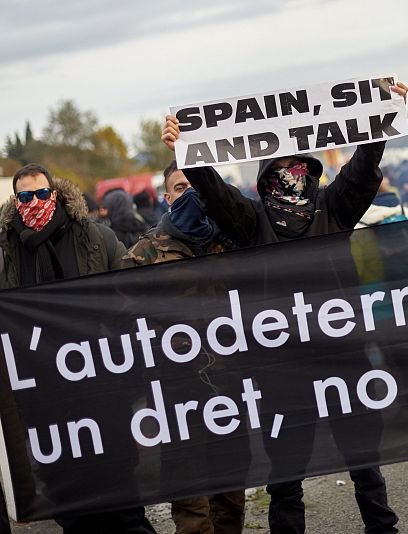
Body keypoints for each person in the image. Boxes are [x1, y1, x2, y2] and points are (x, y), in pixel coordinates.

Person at [161, 81, 408, 534]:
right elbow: (213, 192)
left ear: (311, 172)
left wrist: (382, 118)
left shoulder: (333, 208)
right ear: (264, 178)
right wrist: (186, 152)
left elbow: (361, 170)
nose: (291, 176)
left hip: (343, 359)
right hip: (281, 370)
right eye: (281, 169)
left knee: (365, 466)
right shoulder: (250, 220)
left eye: (299, 167)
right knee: (285, 479)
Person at [0, 164, 153, 534]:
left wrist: (126, 373)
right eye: (25, 197)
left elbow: (128, 300)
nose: (34, 202)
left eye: (41, 194)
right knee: (69, 501)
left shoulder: (94, 237)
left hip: (99, 383)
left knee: (122, 497)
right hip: (43, 396)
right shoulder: (6, 250)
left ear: (54, 194)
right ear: (16, 201)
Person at [122, 161, 245, 534]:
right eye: (179, 187)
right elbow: (121, 319)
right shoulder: (144, 253)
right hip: (177, 390)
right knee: (189, 492)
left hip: (229, 384)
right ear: (166, 197)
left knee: (232, 486)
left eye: (194, 185)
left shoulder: (231, 241)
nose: (188, 193)